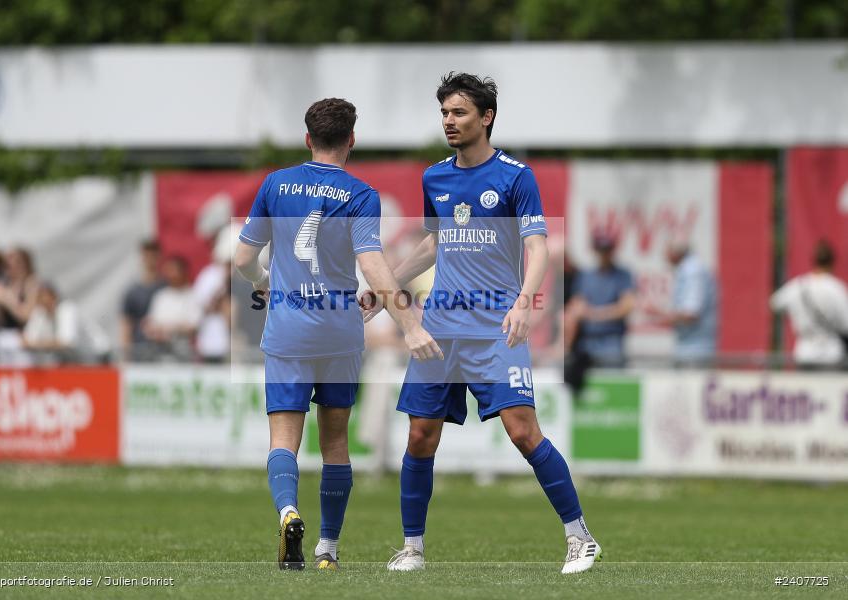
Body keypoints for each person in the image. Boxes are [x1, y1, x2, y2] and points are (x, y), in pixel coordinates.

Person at [363, 73, 601, 574]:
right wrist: (385, 288)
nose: (449, 121)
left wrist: (523, 304)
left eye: (459, 113)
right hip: (441, 328)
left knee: (522, 432)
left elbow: (538, 248)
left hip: (495, 326)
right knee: (420, 436)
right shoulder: (435, 177)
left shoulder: (516, 177)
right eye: (445, 113)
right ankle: (412, 549)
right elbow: (433, 242)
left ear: (486, 117)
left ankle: (580, 538)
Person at [233, 98, 441, 571]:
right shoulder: (362, 195)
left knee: (284, 438)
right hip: (340, 331)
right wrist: (409, 325)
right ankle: (327, 547)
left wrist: (263, 285)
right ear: (351, 140)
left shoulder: (275, 184)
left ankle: (288, 512)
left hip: (287, 328)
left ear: (308, 138)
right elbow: (373, 266)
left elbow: (244, 259)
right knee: (335, 443)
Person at [770, 240, 848, 368]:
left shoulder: (798, 286)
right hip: (832, 353)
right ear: (832, 262)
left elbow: (775, 303)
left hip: (805, 351)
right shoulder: (837, 288)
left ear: (814, 261)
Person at [567, 232, 635, 368]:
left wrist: (594, 313)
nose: (604, 254)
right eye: (601, 250)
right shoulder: (586, 276)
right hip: (587, 341)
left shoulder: (622, 275)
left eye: (607, 250)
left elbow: (626, 307)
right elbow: (577, 307)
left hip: (611, 340)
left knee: (612, 382)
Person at [645, 239, 718, 366]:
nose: (664, 256)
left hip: (695, 349)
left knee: (691, 384)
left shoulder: (692, 271)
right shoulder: (687, 270)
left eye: (666, 251)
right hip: (689, 346)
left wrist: (660, 314)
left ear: (675, 253)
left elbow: (691, 313)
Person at [22, 282, 111, 364]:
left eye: (44, 296)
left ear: (54, 296)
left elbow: (66, 342)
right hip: (75, 360)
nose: (42, 301)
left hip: (98, 356)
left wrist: (38, 344)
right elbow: (27, 340)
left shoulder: (67, 309)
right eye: (39, 298)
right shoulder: (40, 313)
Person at [143, 256, 202, 361]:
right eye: (168, 271)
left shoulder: (192, 296)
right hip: (159, 353)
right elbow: (150, 323)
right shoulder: (161, 296)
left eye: (173, 270)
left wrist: (170, 330)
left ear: (183, 272)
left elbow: (194, 326)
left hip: (182, 353)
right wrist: (153, 331)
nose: (170, 275)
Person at [120, 240, 166, 361]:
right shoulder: (133, 291)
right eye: (147, 255)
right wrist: (126, 355)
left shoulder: (166, 287)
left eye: (153, 255)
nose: (150, 260)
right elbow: (126, 323)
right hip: (139, 348)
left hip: (164, 349)